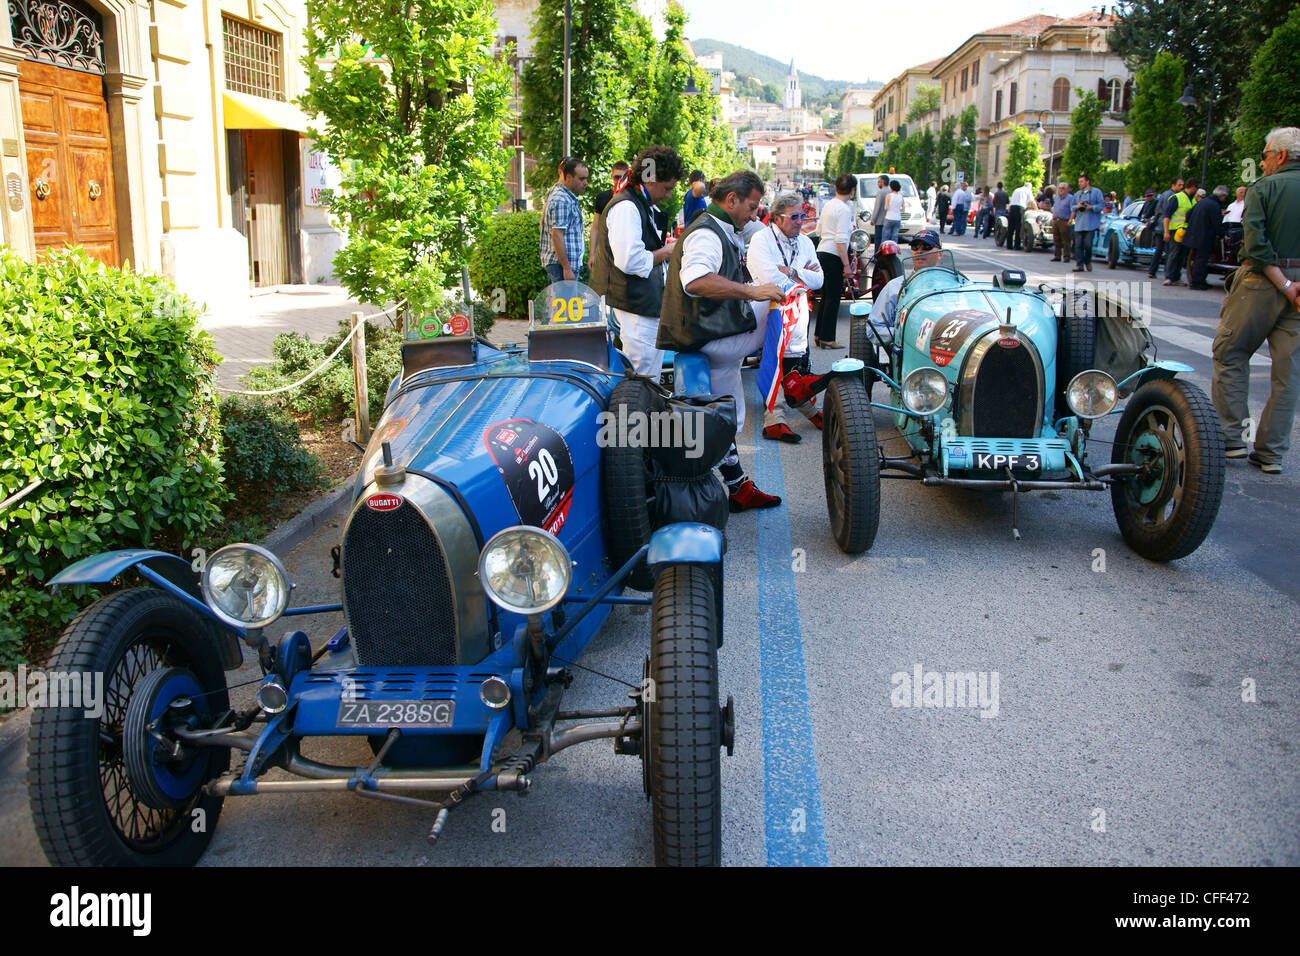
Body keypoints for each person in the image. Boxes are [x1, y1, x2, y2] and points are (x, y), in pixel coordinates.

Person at [656, 169, 787, 509]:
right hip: (703, 335)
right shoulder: (707, 233)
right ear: (732, 200)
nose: (756, 214)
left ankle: (738, 486)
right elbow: (696, 281)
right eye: (753, 206)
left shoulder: (718, 227)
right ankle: (797, 379)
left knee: (728, 418)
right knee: (782, 305)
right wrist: (752, 291)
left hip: (706, 330)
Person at [1212, 126, 1300, 474]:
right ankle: (1271, 453)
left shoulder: (1264, 188)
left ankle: (1232, 439)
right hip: (1297, 291)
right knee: (1289, 373)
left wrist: (1283, 284)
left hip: (1262, 284)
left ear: (1279, 156)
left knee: (1230, 352)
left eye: (1264, 155)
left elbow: (1257, 246)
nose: (1262, 162)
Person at [589, 146, 681, 376]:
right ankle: (643, 412)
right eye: (667, 188)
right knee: (643, 376)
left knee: (646, 374)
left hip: (639, 303)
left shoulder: (636, 203)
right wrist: (667, 252)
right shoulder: (627, 206)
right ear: (651, 180)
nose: (669, 194)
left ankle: (646, 410)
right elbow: (630, 261)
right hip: (635, 305)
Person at [746, 192, 825, 442]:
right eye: (795, 216)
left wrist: (792, 271)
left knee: (796, 364)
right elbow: (771, 279)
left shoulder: (805, 242)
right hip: (769, 307)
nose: (801, 221)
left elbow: (819, 279)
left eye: (803, 215)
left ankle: (805, 407)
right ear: (778, 218)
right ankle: (774, 418)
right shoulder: (762, 239)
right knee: (775, 360)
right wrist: (802, 278)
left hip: (798, 307)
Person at [813, 173, 855, 348]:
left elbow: (818, 230)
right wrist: (846, 265)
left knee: (826, 296)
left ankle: (819, 333)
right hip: (834, 255)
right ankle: (828, 338)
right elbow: (841, 239)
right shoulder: (844, 209)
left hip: (822, 251)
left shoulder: (829, 205)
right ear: (852, 191)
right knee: (833, 298)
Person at [873, 229, 944, 329]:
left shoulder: (954, 286)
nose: (920, 251)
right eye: (915, 247)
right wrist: (902, 335)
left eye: (926, 247)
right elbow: (876, 327)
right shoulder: (894, 287)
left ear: (940, 253)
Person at [540, 156, 589, 282]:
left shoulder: (564, 197)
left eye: (586, 178)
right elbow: (557, 235)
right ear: (568, 177)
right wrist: (567, 268)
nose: (585, 183)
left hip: (563, 266)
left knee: (565, 301)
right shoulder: (561, 199)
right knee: (564, 301)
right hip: (561, 267)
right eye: (581, 179)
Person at [1183, 184, 1229, 291]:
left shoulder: (1203, 202)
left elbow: (1188, 214)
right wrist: (1223, 234)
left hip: (1193, 234)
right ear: (1222, 196)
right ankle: (1196, 282)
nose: (1224, 199)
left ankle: (1199, 280)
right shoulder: (1214, 205)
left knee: (1197, 259)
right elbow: (1217, 224)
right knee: (1202, 260)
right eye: (1225, 197)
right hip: (1204, 237)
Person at [1162, 177, 1200, 285]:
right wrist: (1166, 232)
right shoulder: (1177, 198)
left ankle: (1176, 277)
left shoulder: (1192, 199)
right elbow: (1167, 216)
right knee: (1174, 254)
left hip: (1185, 231)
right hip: (1175, 230)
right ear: (1193, 187)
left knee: (1181, 255)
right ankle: (1169, 277)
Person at [1147, 175, 1185, 279]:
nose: (1182, 187)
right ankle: (1169, 274)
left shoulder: (1164, 194)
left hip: (1159, 224)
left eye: (1183, 185)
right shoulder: (1174, 197)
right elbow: (1169, 213)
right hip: (1167, 225)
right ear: (1173, 185)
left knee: (1159, 250)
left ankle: (1152, 271)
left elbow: (1157, 210)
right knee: (1170, 251)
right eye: (1179, 185)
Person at [589, 160, 630, 252]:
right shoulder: (602, 197)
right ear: (611, 176)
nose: (619, 181)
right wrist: (592, 254)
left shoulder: (633, 198)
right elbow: (595, 227)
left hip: (625, 250)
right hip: (605, 250)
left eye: (623, 178)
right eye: (617, 177)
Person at [1070, 173, 1105, 271]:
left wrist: (1092, 207)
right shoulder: (1077, 194)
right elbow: (1071, 207)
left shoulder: (1096, 192)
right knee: (1078, 245)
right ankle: (1079, 265)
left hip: (1091, 224)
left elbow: (1102, 205)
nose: (1079, 184)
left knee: (1088, 245)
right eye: (1079, 182)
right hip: (1079, 224)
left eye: (1081, 181)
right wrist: (1077, 206)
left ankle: (1088, 261)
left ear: (1087, 181)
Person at [1009, 181, 1035, 250]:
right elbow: (1032, 201)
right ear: (1030, 187)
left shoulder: (1017, 189)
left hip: (1012, 208)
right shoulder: (1028, 191)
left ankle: (1009, 245)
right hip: (1019, 208)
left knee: (1011, 227)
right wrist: (1037, 209)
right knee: (1018, 227)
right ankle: (1017, 245)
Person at [1050, 182, 1072, 261]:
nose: (1061, 190)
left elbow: (1072, 210)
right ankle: (1057, 256)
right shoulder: (1057, 198)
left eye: (1063, 188)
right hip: (1056, 220)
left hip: (1064, 220)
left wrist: (1070, 220)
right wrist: (1053, 218)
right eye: (1060, 188)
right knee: (1056, 239)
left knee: (1065, 240)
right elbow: (1055, 208)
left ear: (1066, 189)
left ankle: (1066, 256)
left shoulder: (1070, 198)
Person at [869, 174, 889, 248]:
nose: (878, 184)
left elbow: (877, 207)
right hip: (889, 220)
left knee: (878, 240)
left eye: (879, 182)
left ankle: (877, 257)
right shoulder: (891, 191)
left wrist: (873, 219)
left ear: (882, 182)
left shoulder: (880, 192)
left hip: (880, 221)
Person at [882, 179, 903, 244]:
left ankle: (884, 250)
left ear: (891, 187)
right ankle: (893, 250)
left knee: (885, 236)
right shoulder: (901, 196)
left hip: (889, 217)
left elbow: (885, 208)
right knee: (895, 236)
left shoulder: (889, 195)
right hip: (898, 218)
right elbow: (903, 209)